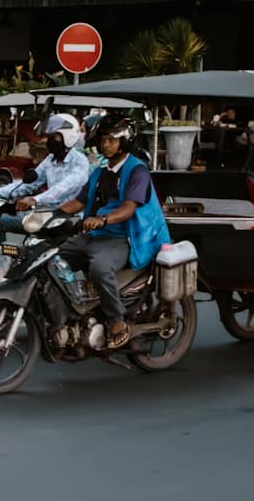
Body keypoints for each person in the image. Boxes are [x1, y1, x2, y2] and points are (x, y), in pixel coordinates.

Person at [57, 120, 170, 349]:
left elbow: (129, 208)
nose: (105, 144)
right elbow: (78, 202)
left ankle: (117, 321)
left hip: (126, 238)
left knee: (99, 267)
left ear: (124, 142)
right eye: (102, 140)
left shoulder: (137, 170)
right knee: (54, 258)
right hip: (94, 235)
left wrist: (103, 220)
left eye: (111, 140)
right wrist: (46, 213)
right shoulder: (100, 172)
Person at [9, 114, 91, 214]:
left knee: (8, 221)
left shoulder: (80, 161)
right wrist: (1, 193)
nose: (49, 141)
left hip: (69, 216)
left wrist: (36, 199)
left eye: (54, 137)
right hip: (47, 212)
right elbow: (33, 181)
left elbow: (64, 187)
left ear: (69, 137)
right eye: (48, 137)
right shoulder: (50, 159)